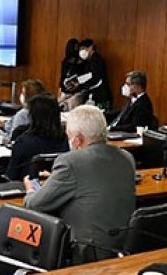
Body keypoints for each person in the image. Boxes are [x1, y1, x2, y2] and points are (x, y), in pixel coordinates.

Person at [23, 104, 136, 262]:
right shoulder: (126, 157)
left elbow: (35, 204)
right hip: (124, 245)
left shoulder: (70, 162)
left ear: (78, 140)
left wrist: (30, 190)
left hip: (86, 250)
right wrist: (57, 178)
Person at [5, 95, 68, 181]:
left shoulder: (23, 141)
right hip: (56, 186)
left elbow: (12, 175)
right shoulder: (65, 139)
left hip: (25, 188)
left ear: (33, 116)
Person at [66, 38, 112, 109]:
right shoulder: (89, 61)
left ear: (91, 48)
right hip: (93, 94)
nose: (82, 51)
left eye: (84, 48)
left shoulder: (96, 60)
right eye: (80, 49)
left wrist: (79, 84)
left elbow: (94, 78)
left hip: (100, 96)